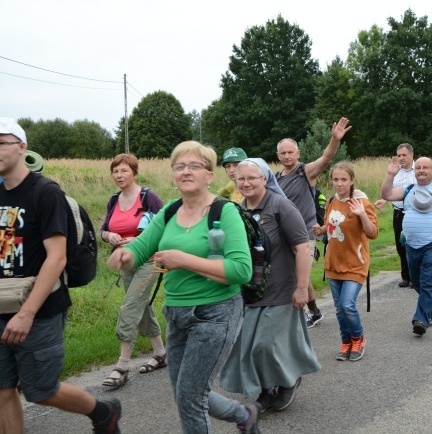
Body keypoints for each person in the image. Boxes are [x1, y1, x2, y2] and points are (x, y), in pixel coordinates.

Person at [108, 141, 258, 433]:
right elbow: (142, 246)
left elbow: (241, 270)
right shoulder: (169, 211)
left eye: (194, 166)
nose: (185, 171)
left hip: (216, 313)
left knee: (190, 398)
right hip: (176, 313)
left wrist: (183, 260)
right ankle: (243, 415)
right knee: (185, 393)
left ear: (209, 175)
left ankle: (243, 416)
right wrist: (126, 254)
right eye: (179, 166)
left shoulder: (225, 212)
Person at [0, 118, 121, 433]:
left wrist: (26, 314)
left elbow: (57, 258)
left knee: (40, 390)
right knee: (1, 389)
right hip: (0, 306)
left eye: (2, 143)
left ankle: (103, 412)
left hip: (38, 309)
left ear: (22, 147)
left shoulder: (45, 193)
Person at [220, 158, 320, 413]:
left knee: (266, 345)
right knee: (251, 347)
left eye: (252, 177)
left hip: (281, 289)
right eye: (241, 178)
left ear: (265, 178)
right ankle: (265, 392)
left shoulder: (280, 206)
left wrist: (301, 288)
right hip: (251, 292)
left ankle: (288, 383)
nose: (246, 182)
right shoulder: (237, 210)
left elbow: (303, 247)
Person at [275, 117, 352, 328]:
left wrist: (335, 139)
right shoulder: (275, 178)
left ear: (298, 154)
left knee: (300, 275)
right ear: (278, 156)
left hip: (305, 234)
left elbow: (326, 158)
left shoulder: (305, 172)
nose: (288, 156)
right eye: (283, 153)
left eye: (291, 152)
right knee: (294, 275)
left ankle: (306, 313)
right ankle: (314, 312)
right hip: (282, 235)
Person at [99, 153, 166, 387]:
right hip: (125, 262)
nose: (119, 175)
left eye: (124, 170)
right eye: (115, 171)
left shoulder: (148, 197)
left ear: (134, 173)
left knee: (130, 306)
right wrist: (110, 236)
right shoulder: (113, 200)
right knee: (141, 306)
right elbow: (103, 229)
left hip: (149, 260)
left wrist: (138, 240)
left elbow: (164, 226)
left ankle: (122, 366)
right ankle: (160, 353)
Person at [381, 157, 432, 336]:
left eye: (426, 168)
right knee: (417, 283)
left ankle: (421, 320)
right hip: (411, 244)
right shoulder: (408, 190)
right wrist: (390, 175)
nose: (421, 170)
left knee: (428, 283)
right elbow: (386, 195)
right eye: (418, 168)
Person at [312, 161, 379, 361]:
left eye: (343, 180)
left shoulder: (361, 203)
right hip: (333, 263)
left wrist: (361, 215)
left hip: (355, 263)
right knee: (339, 308)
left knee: (347, 305)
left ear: (352, 181)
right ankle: (346, 341)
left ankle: (358, 338)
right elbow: (331, 225)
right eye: (335, 179)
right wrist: (320, 230)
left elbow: (373, 232)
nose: (339, 183)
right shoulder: (332, 201)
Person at [374, 143, 416, 288]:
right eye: (398, 155)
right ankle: (406, 277)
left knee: (415, 244)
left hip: (416, 213)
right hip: (399, 212)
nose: (401, 158)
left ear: (412, 155)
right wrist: (384, 200)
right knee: (400, 245)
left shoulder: (420, 169)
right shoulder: (394, 171)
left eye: (404, 155)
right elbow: (390, 190)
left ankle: (417, 276)